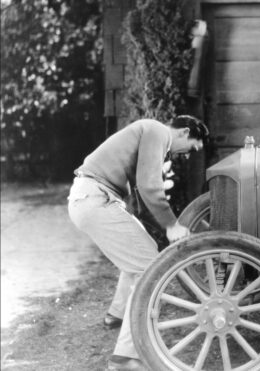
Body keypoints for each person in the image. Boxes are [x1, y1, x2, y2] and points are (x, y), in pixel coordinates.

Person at [67, 115, 208, 370]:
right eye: (191, 148)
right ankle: (125, 358)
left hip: (91, 198)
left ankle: (117, 315)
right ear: (184, 132)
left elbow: (140, 201)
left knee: (141, 252)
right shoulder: (157, 131)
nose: (187, 155)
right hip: (95, 199)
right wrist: (172, 225)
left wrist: (164, 227)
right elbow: (149, 187)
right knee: (149, 268)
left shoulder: (149, 134)